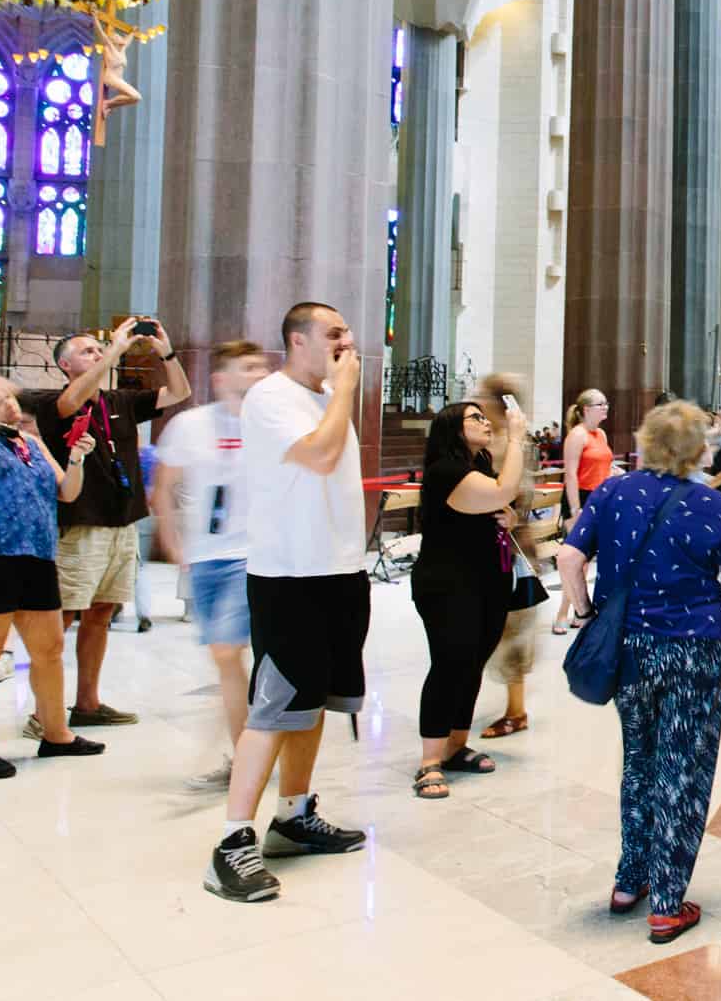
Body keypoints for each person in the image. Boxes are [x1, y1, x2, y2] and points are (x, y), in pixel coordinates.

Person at [555, 401, 721, 944]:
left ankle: (631, 878)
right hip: (695, 648)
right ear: (699, 448)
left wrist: (582, 613)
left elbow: (569, 559)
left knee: (640, 758)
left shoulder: (613, 492)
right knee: (683, 765)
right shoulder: (711, 504)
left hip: (629, 647)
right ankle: (668, 901)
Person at [204, 303, 370, 904]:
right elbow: (320, 455)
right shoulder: (272, 398)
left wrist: (338, 392)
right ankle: (231, 842)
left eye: (347, 333)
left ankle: (293, 816)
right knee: (272, 709)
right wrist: (345, 391)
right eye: (334, 333)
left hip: (339, 570)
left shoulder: (325, 396)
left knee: (316, 702)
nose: (347, 341)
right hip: (290, 576)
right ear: (297, 340)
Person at [17, 319, 192, 735]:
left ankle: (87, 703)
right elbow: (71, 403)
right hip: (80, 525)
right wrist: (114, 349)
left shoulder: (122, 400)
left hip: (122, 521)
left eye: (99, 351)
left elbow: (180, 392)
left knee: (101, 613)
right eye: (87, 352)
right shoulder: (52, 400)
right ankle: (44, 712)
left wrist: (165, 350)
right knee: (61, 618)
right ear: (65, 366)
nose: (97, 354)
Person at [0, 377, 103, 778]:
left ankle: (56, 732)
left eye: (10, 397)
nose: (10, 403)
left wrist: (76, 458)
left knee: (50, 650)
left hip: (37, 555)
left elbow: (67, 493)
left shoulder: (30, 442)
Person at [152, 340, 272, 790]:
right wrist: (172, 542)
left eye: (262, 366)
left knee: (227, 650)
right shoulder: (189, 426)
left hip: (254, 555)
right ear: (221, 378)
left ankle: (247, 758)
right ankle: (246, 747)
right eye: (248, 366)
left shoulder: (272, 425)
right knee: (225, 660)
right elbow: (164, 487)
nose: (258, 373)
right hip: (206, 556)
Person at [409, 396, 528, 798]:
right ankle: (429, 761)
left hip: (486, 580)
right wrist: (516, 438)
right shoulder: (446, 471)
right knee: (449, 663)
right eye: (474, 418)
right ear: (453, 430)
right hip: (447, 584)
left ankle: (457, 745)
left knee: (472, 663)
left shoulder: (477, 466)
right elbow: (503, 489)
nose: (484, 422)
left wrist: (509, 516)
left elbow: (499, 502)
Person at [478, 376, 543, 739]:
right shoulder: (504, 440)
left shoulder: (510, 443)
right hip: (498, 547)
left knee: (512, 630)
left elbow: (511, 492)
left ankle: (516, 711)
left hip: (510, 549)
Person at [554, 388, 612, 635]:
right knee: (574, 560)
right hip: (580, 499)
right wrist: (576, 508)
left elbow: (604, 468)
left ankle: (580, 611)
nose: (606, 407)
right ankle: (562, 614)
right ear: (586, 409)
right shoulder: (577, 436)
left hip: (599, 499)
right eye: (601, 404)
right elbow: (571, 475)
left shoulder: (600, 434)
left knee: (586, 563)